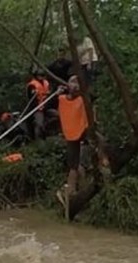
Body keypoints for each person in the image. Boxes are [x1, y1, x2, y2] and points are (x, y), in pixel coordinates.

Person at [55, 75, 109, 209]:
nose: (75, 85)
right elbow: (49, 103)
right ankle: (69, 191)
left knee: (100, 140)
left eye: (78, 82)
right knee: (73, 166)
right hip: (70, 133)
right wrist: (57, 91)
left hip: (83, 129)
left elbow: (91, 96)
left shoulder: (83, 97)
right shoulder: (61, 98)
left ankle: (103, 164)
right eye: (72, 82)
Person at [26, 69, 53, 139]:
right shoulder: (32, 85)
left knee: (57, 115)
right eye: (40, 75)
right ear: (36, 76)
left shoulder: (46, 83)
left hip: (46, 106)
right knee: (39, 124)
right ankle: (38, 141)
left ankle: (50, 132)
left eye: (43, 75)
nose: (42, 77)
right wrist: (37, 107)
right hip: (37, 108)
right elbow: (32, 99)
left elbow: (49, 93)